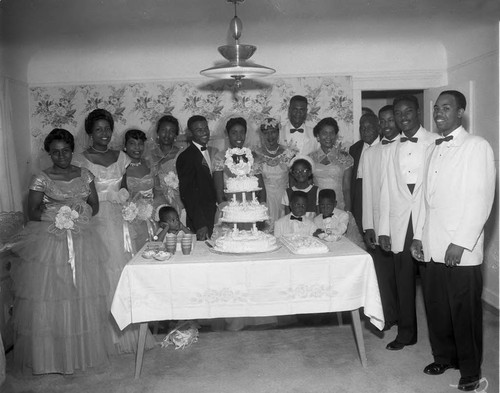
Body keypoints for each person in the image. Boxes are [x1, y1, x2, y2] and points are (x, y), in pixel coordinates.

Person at [410, 91, 495, 391]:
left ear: (461, 112)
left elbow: (480, 198)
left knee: (464, 311)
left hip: (460, 247)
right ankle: (443, 356)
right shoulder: (431, 147)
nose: (439, 113)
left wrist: (461, 242)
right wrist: (418, 236)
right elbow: (422, 198)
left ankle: (470, 371)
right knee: (436, 307)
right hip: (431, 245)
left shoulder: (476, 146)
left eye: (446, 108)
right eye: (436, 108)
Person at [11, 129, 112, 374]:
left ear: (71, 150)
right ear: (49, 153)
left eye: (65, 150)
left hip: (82, 239)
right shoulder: (41, 177)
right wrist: (58, 216)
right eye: (55, 152)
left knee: (81, 295)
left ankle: (80, 353)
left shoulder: (85, 174)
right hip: (51, 242)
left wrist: (78, 216)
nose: (61, 156)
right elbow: (33, 211)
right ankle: (52, 359)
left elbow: (94, 205)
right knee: (53, 297)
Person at [73, 109, 156, 354]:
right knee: (100, 271)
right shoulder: (81, 159)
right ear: (89, 133)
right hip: (95, 219)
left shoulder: (121, 157)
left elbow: (125, 188)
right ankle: (102, 336)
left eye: (107, 129)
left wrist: (126, 201)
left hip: (119, 219)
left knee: (122, 269)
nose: (104, 134)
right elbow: (81, 194)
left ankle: (128, 332)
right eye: (98, 129)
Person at [378, 95, 437, 351]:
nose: (403, 117)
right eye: (398, 113)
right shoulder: (389, 148)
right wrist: (383, 229)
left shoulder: (436, 141)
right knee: (403, 282)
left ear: (418, 111)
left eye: (408, 111)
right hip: (400, 222)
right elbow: (385, 191)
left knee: (432, 282)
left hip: (428, 221)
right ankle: (406, 333)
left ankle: (440, 338)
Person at [361, 105, 400, 328]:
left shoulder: (405, 148)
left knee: (401, 278)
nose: (386, 125)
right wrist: (368, 226)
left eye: (390, 120)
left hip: (400, 223)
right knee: (382, 276)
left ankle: (404, 319)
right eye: (382, 121)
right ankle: (387, 316)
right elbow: (367, 193)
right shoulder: (370, 154)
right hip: (377, 222)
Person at [176, 115, 218, 240]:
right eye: (199, 130)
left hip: (214, 214)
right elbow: (188, 194)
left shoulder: (212, 152)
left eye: (206, 128)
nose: (205, 132)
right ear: (190, 133)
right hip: (201, 219)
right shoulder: (186, 157)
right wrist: (200, 224)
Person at [213, 117, 267, 209]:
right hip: (230, 207)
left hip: (252, 207)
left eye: (242, 132)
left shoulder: (252, 156)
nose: (239, 136)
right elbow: (219, 191)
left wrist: (262, 208)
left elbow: (261, 189)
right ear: (228, 135)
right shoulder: (220, 157)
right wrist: (225, 210)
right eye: (234, 133)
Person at [254, 117, 297, 226]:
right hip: (265, 198)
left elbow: (293, 182)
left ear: (278, 133)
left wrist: (292, 202)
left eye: (273, 132)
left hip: (284, 198)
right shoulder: (256, 155)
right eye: (266, 133)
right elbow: (257, 185)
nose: (270, 136)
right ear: (262, 135)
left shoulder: (288, 153)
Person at [309, 117, 353, 211]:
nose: (328, 136)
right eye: (324, 133)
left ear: (336, 136)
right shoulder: (310, 158)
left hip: (339, 206)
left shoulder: (345, 158)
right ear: (318, 136)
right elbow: (309, 188)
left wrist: (348, 210)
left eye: (332, 133)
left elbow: (346, 189)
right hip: (318, 207)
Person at [122, 129, 155, 251]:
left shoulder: (149, 164)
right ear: (124, 146)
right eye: (132, 143)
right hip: (131, 219)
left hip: (151, 215)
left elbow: (157, 192)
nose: (137, 147)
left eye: (140, 143)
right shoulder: (121, 167)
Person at [349, 113, 380, 231]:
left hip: (377, 193)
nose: (365, 131)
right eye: (362, 128)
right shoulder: (354, 148)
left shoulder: (386, 146)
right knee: (360, 229)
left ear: (378, 127)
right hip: (359, 193)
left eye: (369, 128)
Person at [150, 115, 185, 218]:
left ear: (176, 135)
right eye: (164, 130)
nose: (167, 134)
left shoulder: (182, 154)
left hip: (179, 203)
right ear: (158, 132)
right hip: (155, 203)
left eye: (171, 131)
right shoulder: (148, 155)